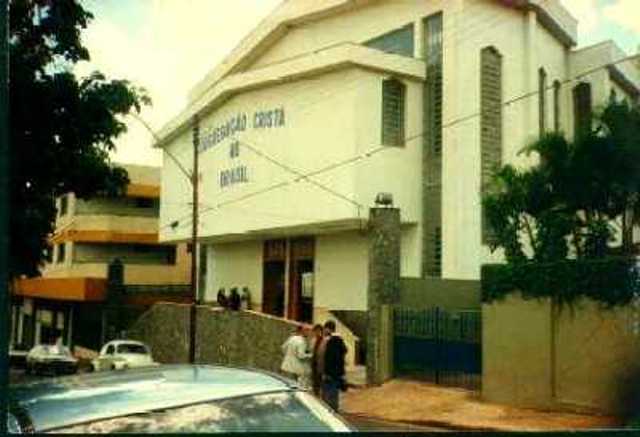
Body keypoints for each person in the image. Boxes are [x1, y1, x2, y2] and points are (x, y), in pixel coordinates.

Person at [320, 320, 347, 412]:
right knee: (333, 393)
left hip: (331, 372)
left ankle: (330, 411)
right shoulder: (338, 340)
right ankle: (333, 410)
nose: (324, 331)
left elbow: (331, 358)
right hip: (336, 372)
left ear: (328, 329)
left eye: (325, 328)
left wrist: (326, 372)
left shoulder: (333, 341)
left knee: (329, 393)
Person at [280, 325, 312, 389]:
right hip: (295, 369)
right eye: (307, 330)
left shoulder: (292, 338)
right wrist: (311, 355)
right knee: (296, 387)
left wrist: (289, 356)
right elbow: (301, 356)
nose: (308, 332)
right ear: (302, 331)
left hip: (286, 366)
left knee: (286, 386)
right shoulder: (301, 341)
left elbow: (283, 348)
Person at [309, 324, 325, 396]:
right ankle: (316, 394)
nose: (317, 333)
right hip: (314, 363)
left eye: (319, 331)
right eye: (316, 331)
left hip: (321, 364)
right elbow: (311, 350)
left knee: (321, 380)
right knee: (315, 380)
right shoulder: (313, 340)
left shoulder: (324, 340)